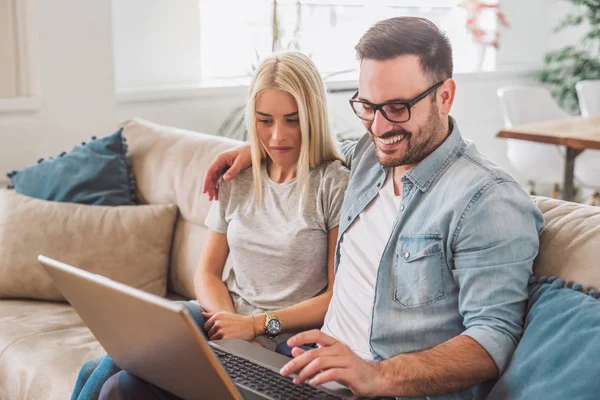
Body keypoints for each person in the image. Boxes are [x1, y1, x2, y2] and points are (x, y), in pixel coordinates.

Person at [203, 17, 544, 400]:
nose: (379, 127)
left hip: (383, 389)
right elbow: (315, 149)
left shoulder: (487, 200)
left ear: (445, 96)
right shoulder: (368, 155)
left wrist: (377, 375)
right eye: (367, 106)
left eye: (397, 107)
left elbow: (492, 338)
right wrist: (255, 150)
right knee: (135, 378)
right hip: (308, 369)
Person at [71, 51, 350, 400]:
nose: (278, 136)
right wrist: (229, 324)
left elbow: (335, 297)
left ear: (313, 117)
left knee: (114, 383)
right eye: (265, 121)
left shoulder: (332, 185)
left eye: (292, 120)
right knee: (110, 376)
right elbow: (207, 272)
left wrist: (254, 326)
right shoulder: (238, 177)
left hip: (280, 340)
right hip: (219, 323)